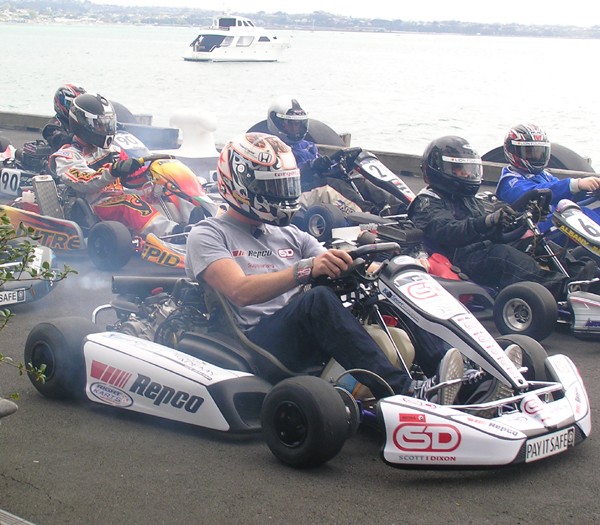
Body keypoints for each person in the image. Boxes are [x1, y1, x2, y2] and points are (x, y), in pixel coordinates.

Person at [185, 131, 465, 403]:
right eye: (273, 188)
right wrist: (305, 270)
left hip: (301, 330)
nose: (282, 195)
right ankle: (404, 391)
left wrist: (384, 271)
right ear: (243, 187)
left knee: (383, 292)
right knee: (316, 300)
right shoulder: (208, 234)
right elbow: (240, 291)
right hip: (257, 340)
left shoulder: (290, 233)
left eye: (285, 186)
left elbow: (330, 262)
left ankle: (450, 373)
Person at [408, 135, 584, 300]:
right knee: (502, 255)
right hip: (459, 257)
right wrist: (487, 222)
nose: (467, 174)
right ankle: (562, 289)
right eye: (459, 170)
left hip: (482, 248)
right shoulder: (426, 202)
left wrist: (522, 219)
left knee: (534, 242)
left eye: (468, 169)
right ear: (439, 169)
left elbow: (493, 231)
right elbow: (449, 231)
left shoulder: (468, 199)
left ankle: (582, 277)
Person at [49, 93, 187, 240]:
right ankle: (174, 233)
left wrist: (153, 175)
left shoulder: (112, 150)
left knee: (166, 189)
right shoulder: (66, 156)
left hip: (120, 195)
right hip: (94, 206)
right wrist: (114, 170)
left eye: (107, 124)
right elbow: (85, 182)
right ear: (83, 124)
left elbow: (133, 179)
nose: (105, 129)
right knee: (129, 202)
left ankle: (192, 224)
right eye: (100, 125)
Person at [266, 95, 406, 216]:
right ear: (277, 123)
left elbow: (325, 168)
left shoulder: (307, 146)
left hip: (318, 184)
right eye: (290, 125)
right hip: (297, 194)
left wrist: (337, 165)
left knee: (358, 181)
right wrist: (311, 167)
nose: (295, 129)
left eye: (298, 124)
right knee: (332, 186)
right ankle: (369, 215)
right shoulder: (273, 148)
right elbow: (283, 177)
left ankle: (401, 209)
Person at [496, 123, 600, 235]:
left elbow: (562, 194)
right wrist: (576, 184)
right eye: (529, 152)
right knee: (580, 214)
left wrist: (591, 189)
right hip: (535, 230)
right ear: (513, 151)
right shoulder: (509, 181)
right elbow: (535, 193)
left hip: (554, 221)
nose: (536, 157)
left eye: (539, 152)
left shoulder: (543, 175)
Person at [42, 84, 87, 152]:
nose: (75, 110)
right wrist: (85, 138)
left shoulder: (82, 122)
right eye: (72, 105)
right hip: (63, 159)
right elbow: (61, 140)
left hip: (85, 155)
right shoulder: (52, 127)